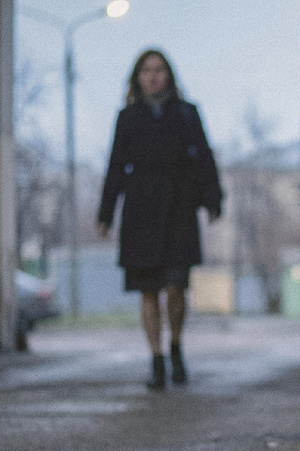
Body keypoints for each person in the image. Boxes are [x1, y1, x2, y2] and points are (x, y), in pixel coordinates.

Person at [97, 49, 223, 390]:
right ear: (137, 77)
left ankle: (176, 346)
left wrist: (213, 199)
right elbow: (115, 165)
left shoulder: (186, 113)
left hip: (179, 209)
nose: (153, 76)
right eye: (147, 70)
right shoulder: (128, 117)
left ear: (169, 75)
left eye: (159, 70)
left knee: (176, 285)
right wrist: (106, 213)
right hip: (140, 211)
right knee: (148, 291)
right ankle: (156, 360)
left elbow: (205, 155)